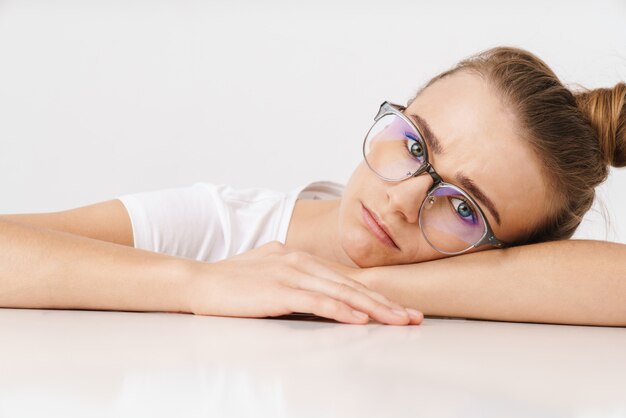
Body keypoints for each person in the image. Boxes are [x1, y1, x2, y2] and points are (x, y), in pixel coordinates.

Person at [1, 46, 625, 326]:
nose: (403, 200)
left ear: (510, 255)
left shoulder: (483, 291)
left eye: (461, 208)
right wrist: (201, 283)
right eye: (413, 144)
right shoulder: (226, 224)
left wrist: (357, 286)